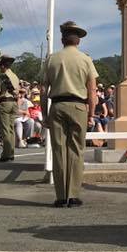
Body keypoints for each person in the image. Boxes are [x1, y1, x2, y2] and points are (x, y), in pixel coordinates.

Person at [42, 21, 98, 208]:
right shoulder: (85, 60)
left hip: (57, 106)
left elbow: (43, 90)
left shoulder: (52, 59)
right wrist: (91, 114)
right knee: (76, 150)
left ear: (62, 39)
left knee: (59, 151)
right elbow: (92, 91)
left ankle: (60, 196)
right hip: (78, 106)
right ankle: (73, 195)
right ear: (78, 41)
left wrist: (44, 115)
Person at [0, 56, 20, 161]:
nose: (0, 68)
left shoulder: (2, 77)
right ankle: (11, 153)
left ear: (3, 65)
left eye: (0, 66)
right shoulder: (15, 76)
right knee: (11, 129)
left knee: (5, 129)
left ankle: (6, 154)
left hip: (5, 103)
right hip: (14, 103)